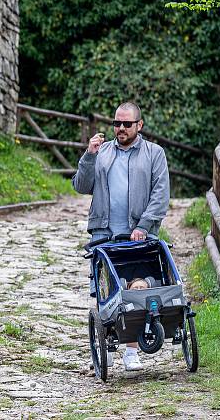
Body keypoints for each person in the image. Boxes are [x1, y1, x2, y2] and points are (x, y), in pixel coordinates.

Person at [73, 101, 169, 371]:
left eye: (127, 124)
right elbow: (81, 186)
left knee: (137, 286)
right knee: (107, 290)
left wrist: (145, 225)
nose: (121, 128)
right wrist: (89, 156)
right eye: (117, 123)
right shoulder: (101, 152)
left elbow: (160, 194)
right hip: (104, 234)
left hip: (139, 235)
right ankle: (108, 340)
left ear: (139, 125)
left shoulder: (154, 153)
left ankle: (131, 351)